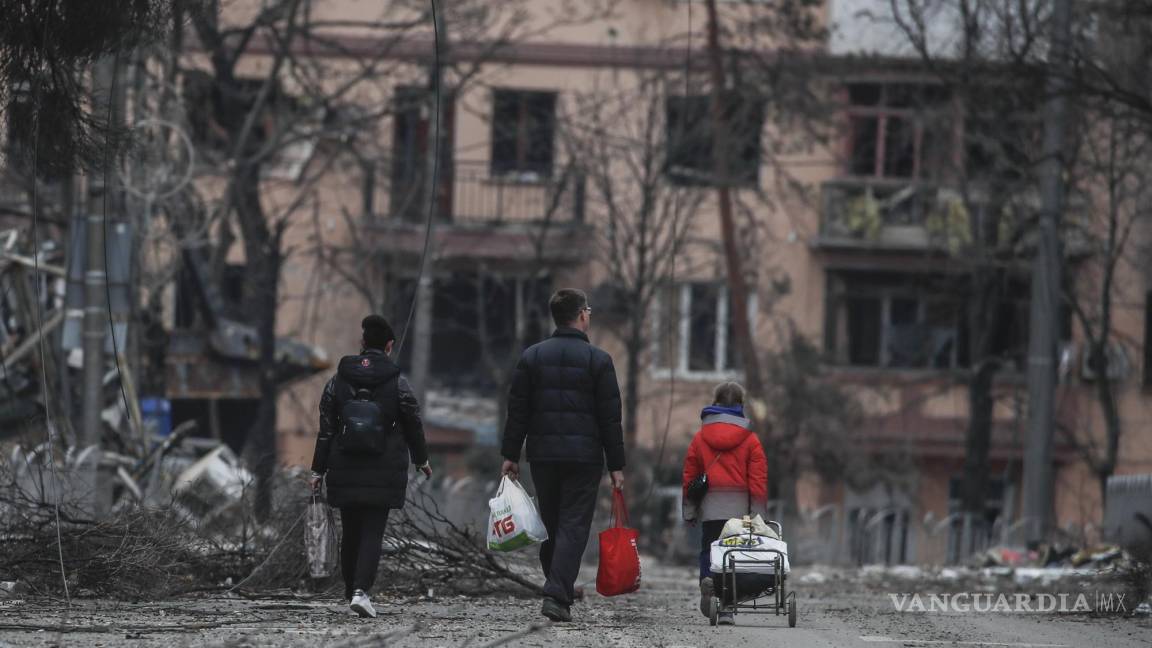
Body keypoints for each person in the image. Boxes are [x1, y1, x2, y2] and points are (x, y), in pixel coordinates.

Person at [501, 288, 626, 623]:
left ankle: (558, 587)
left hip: (543, 455)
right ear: (582, 314)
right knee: (573, 525)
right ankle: (557, 593)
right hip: (584, 458)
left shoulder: (532, 357)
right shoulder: (599, 361)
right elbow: (610, 418)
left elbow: (518, 411)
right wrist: (616, 466)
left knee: (553, 524)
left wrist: (510, 454)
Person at [309, 315, 432, 618]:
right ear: (389, 346)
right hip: (384, 467)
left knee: (351, 529)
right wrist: (421, 460)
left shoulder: (337, 381)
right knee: (373, 531)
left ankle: (352, 592)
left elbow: (326, 429)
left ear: (362, 344)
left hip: (344, 464)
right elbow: (413, 422)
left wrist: (317, 470)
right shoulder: (398, 382)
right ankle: (362, 592)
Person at [681, 382, 767, 625]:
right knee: (734, 555)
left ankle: (707, 580)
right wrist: (758, 514)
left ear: (715, 403)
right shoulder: (751, 440)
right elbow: (758, 481)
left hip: (710, 508)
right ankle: (727, 607)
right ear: (741, 405)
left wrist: (689, 511)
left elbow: (689, 476)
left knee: (710, 550)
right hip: (739, 511)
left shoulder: (700, 438)